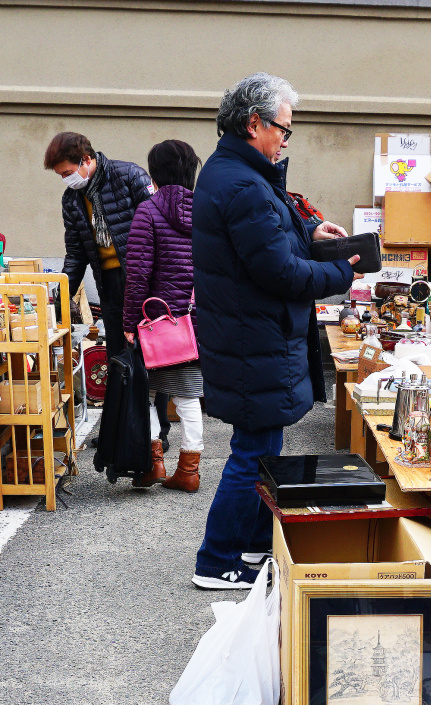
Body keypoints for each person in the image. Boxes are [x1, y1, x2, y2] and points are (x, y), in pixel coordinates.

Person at [191, 73, 359, 589]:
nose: (287, 138)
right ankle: (217, 559)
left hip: (249, 338)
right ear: (253, 123)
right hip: (252, 340)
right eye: (283, 129)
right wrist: (343, 272)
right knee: (253, 455)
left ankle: (250, 547)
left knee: (261, 451)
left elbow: (271, 240)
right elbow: (279, 272)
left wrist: (311, 233)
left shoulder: (237, 173)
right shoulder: (243, 184)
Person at [44, 132, 158, 442]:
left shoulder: (129, 176)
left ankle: (155, 438)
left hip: (143, 281)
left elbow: (158, 230)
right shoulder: (72, 199)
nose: (67, 180)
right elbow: (76, 255)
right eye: (61, 176)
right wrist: (57, 298)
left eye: (68, 172)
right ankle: (119, 432)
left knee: (151, 358)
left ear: (86, 160)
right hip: (108, 283)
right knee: (118, 358)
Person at [122, 140, 204, 492]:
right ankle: (189, 471)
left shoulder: (148, 210)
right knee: (187, 397)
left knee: (145, 394)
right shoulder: (208, 212)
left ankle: (154, 464)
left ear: (154, 172)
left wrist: (129, 323)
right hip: (192, 322)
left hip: (155, 323)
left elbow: (138, 273)